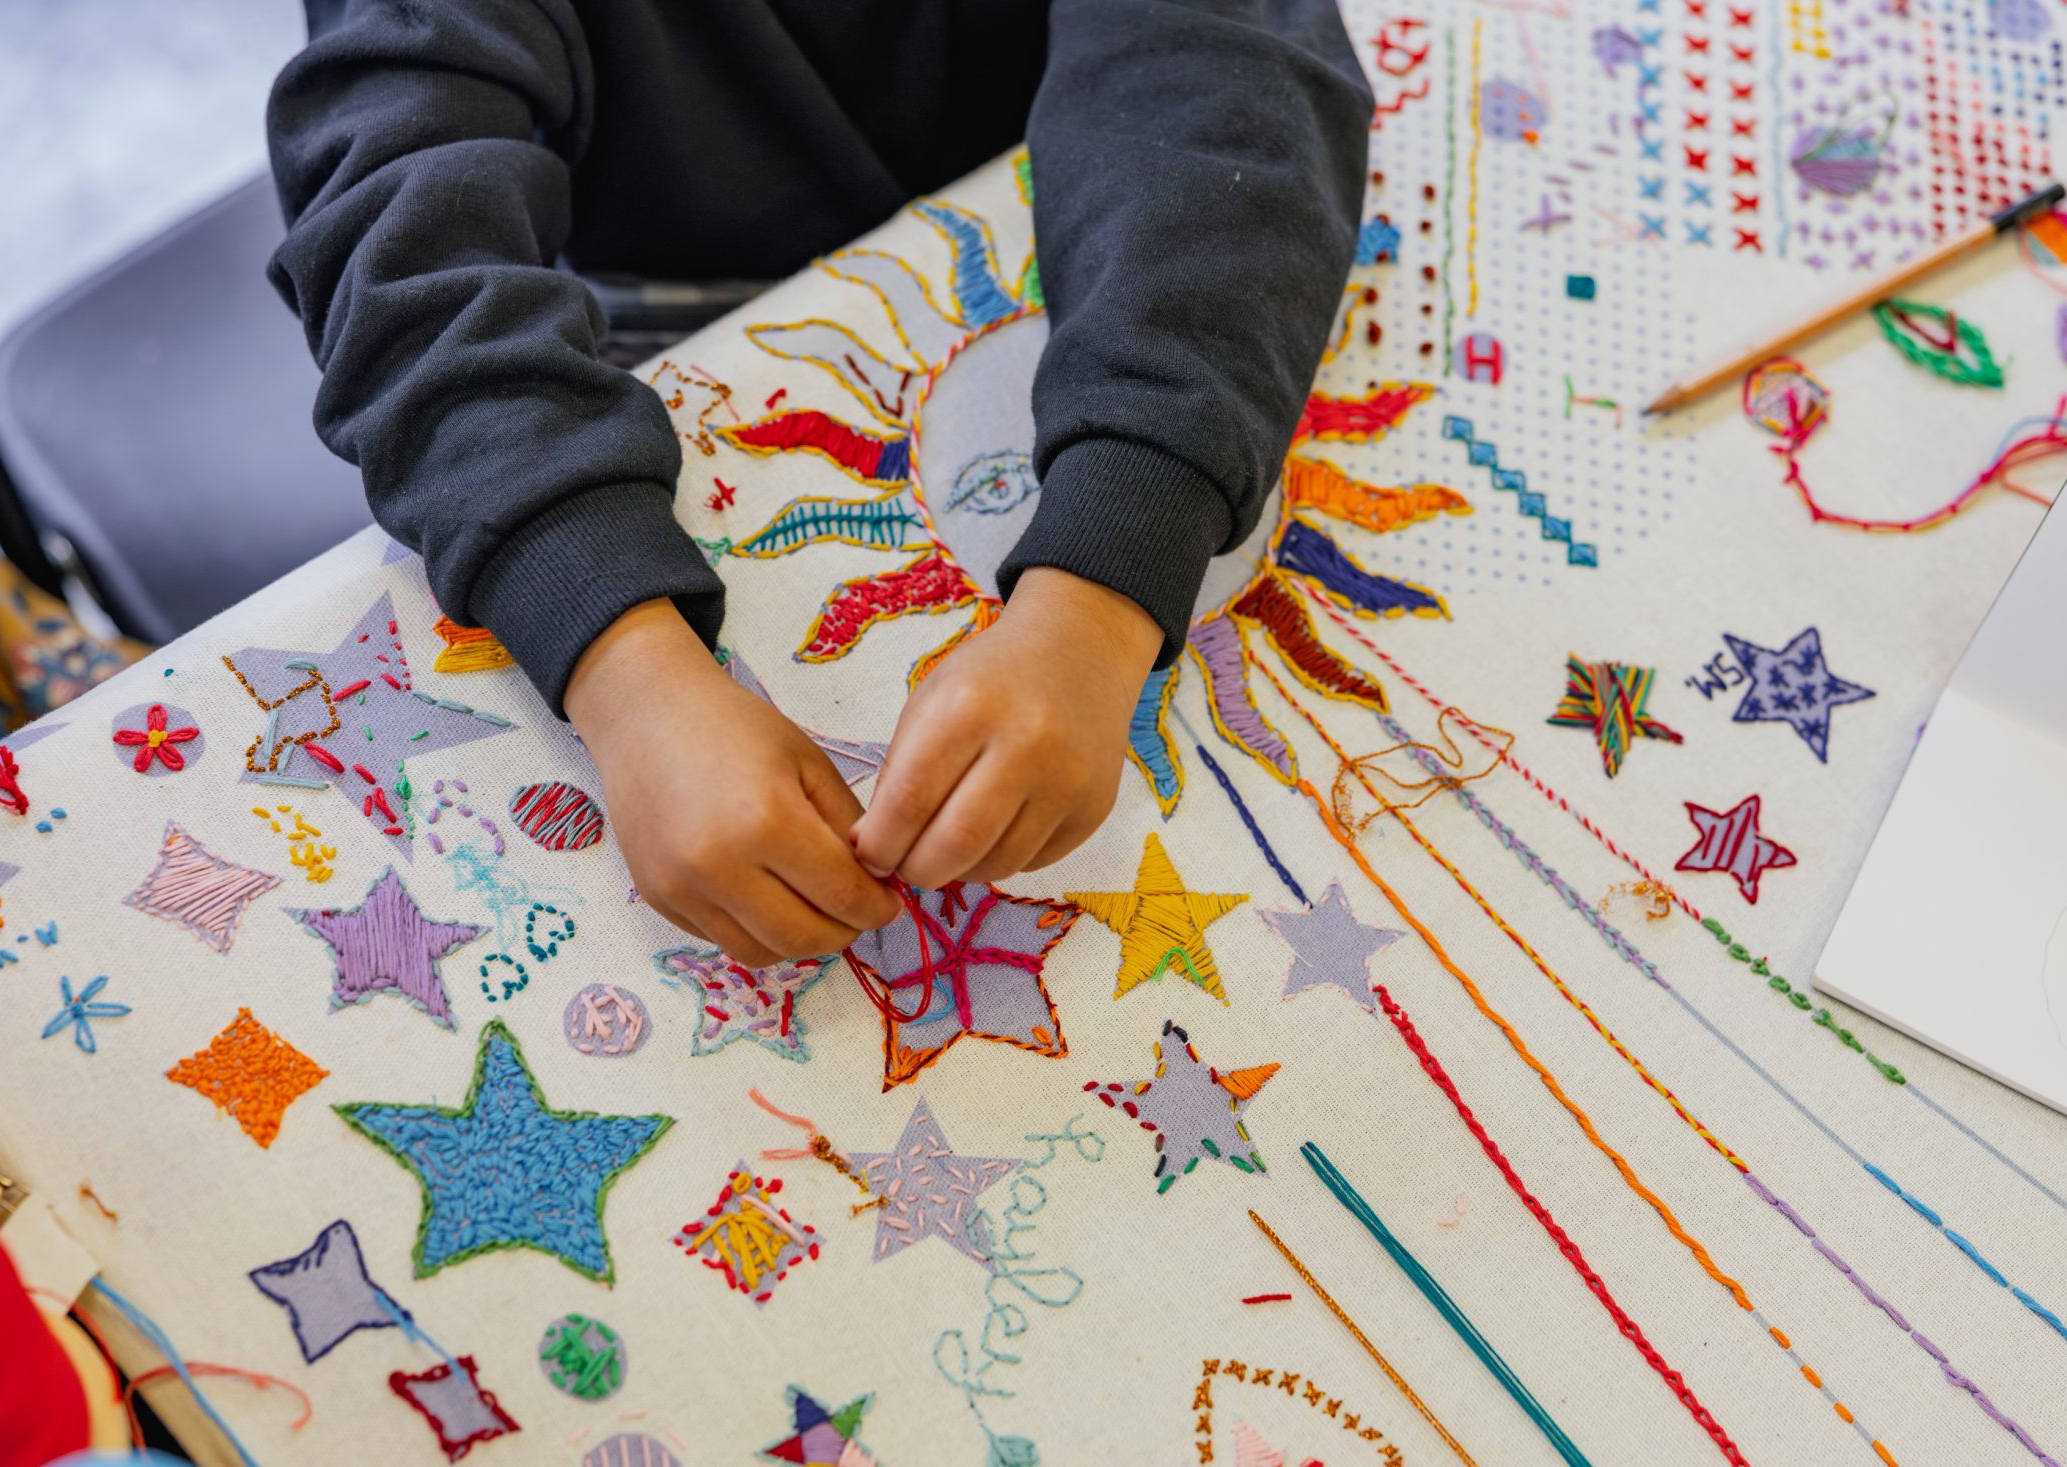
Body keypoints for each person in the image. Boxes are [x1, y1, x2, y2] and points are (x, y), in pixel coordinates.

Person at [266, 0, 1370, 967]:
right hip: (669, 343)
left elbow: (1227, 72)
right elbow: (397, 239)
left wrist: (1106, 584)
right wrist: (626, 668)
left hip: (1113, 262)